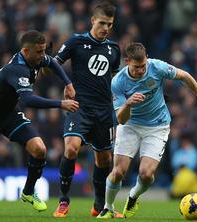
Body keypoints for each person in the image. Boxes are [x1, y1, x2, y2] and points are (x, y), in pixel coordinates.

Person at [0, 30, 79, 216]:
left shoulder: (36, 58)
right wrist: (60, 104)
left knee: (39, 149)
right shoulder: (17, 69)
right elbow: (27, 100)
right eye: (39, 52)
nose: (43, 56)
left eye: (43, 51)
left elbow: (53, 62)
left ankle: (28, 192)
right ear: (26, 51)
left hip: (9, 114)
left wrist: (68, 83)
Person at [97, 42, 197, 219]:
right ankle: (108, 207)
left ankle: (133, 196)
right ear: (127, 62)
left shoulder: (156, 67)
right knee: (118, 172)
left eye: (143, 66)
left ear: (147, 59)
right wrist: (128, 103)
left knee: (146, 174)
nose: (141, 70)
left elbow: (184, 75)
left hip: (157, 126)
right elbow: (121, 119)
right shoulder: (118, 82)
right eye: (136, 67)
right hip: (130, 126)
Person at [52, 1, 122, 218]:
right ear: (93, 20)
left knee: (104, 160)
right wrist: (67, 83)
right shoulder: (76, 41)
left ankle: (99, 205)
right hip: (80, 107)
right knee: (71, 148)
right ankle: (63, 200)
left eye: (110, 24)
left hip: (104, 111)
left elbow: (115, 78)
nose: (106, 28)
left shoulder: (114, 49)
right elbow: (54, 63)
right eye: (102, 23)